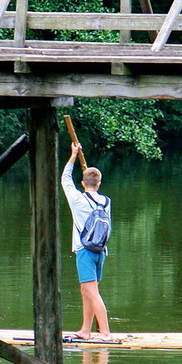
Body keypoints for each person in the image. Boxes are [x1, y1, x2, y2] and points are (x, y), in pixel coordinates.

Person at [61, 142, 112, 341]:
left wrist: (73, 154)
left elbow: (65, 179)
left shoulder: (77, 199)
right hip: (100, 250)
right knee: (87, 290)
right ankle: (85, 330)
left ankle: (105, 332)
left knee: (91, 291)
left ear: (82, 183)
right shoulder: (107, 202)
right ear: (99, 183)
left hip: (84, 249)